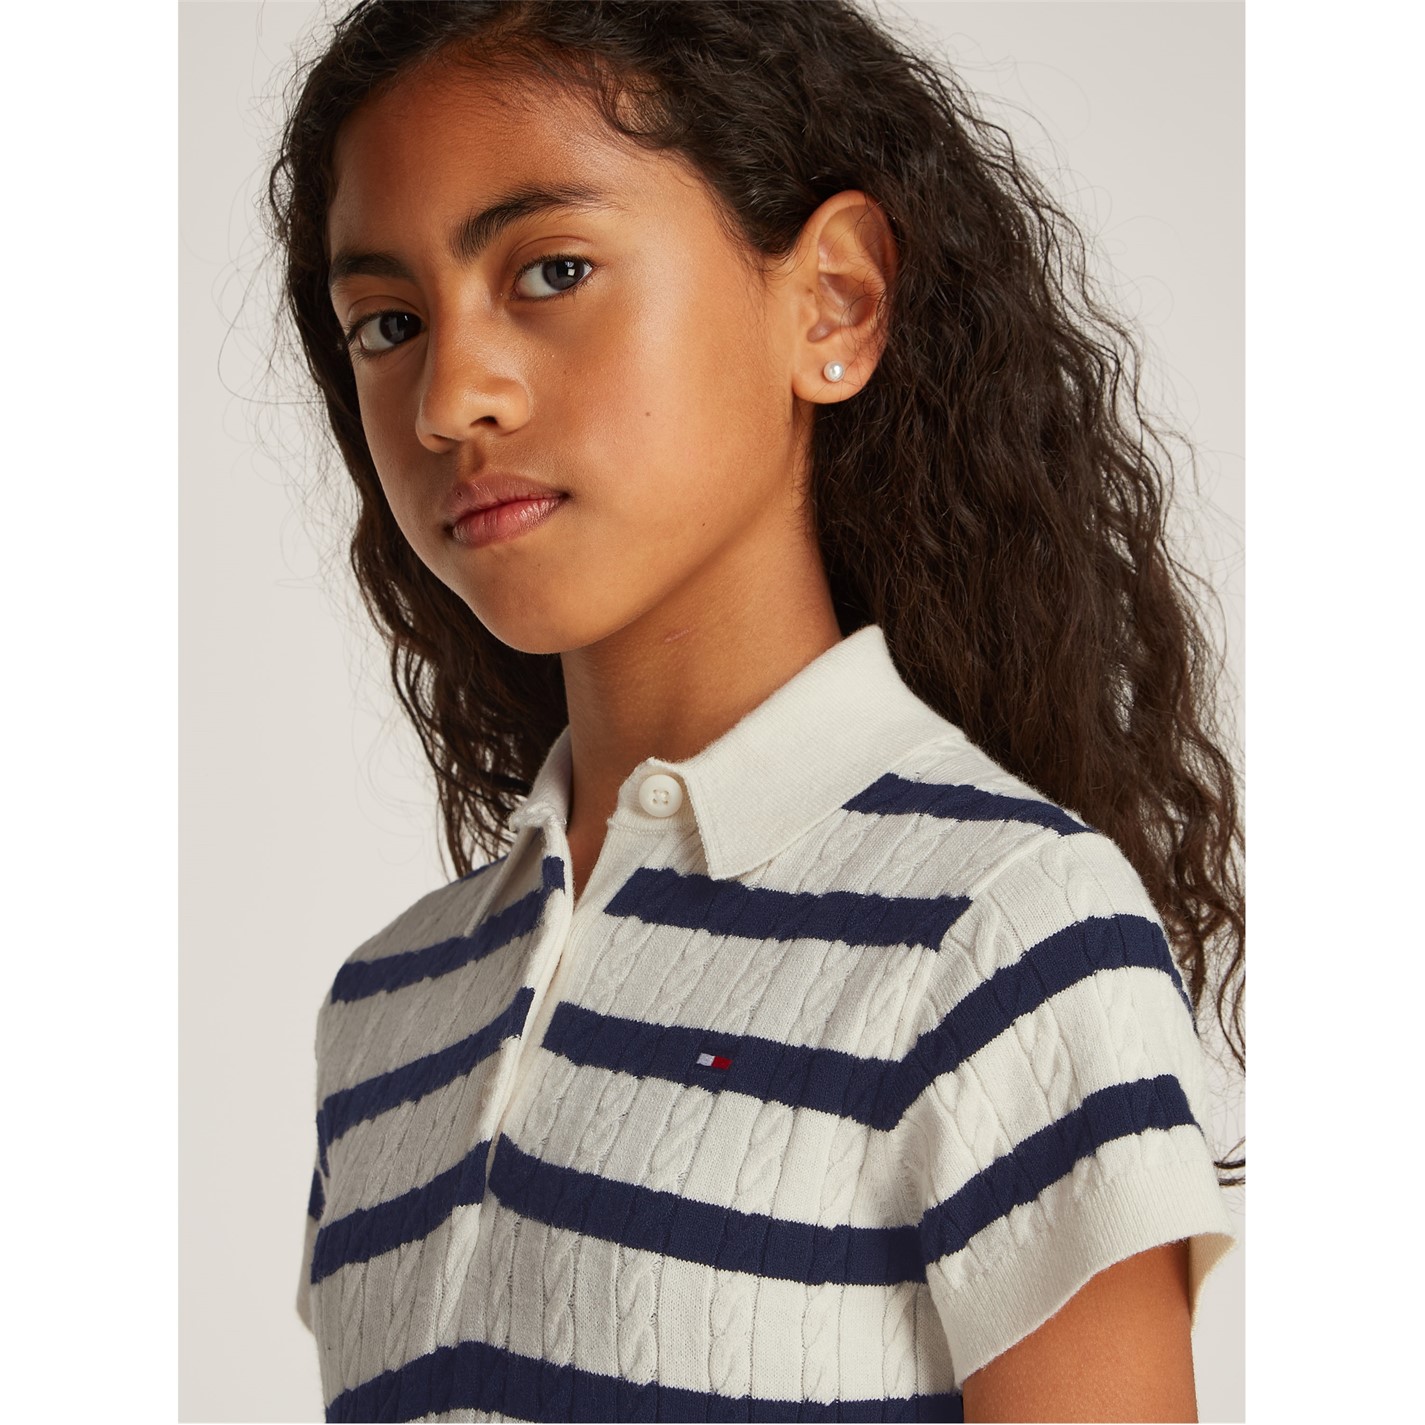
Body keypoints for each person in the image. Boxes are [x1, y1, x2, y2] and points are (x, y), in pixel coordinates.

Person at [267, 2, 1245, 1420]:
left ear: (832, 304)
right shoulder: (386, 1008)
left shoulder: (1005, 935)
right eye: (389, 324)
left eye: (551, 270)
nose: (448, 398)